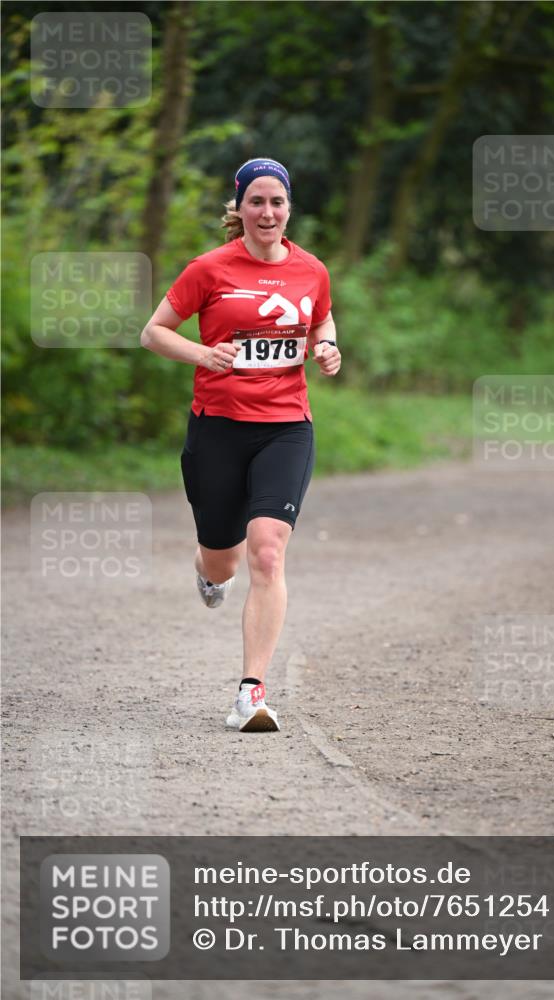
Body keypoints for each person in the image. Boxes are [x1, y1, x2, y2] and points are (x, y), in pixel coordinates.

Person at [140, 157, 341, 733]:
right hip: (219, 428)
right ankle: (208, 572)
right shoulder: (209, 269)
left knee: (268, 551)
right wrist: (203, 354)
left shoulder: (311, 270)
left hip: (286, 425)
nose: (268, 212)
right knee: (223, 559)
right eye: (256, 201)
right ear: (239, 208)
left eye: (277, 201)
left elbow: (321, 323)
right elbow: (153, 331)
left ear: (289, 208)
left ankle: (250, 693)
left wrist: (328, 348)